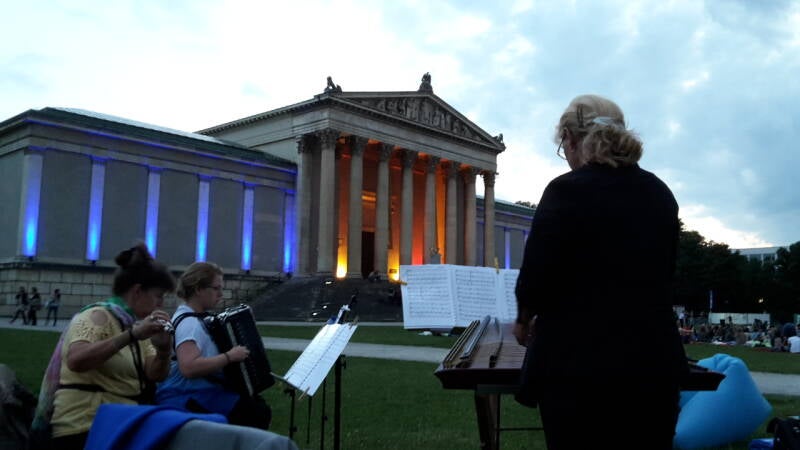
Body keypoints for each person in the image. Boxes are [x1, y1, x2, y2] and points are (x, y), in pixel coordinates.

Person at [514, 95, 689, 449]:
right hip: (652, 363)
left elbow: (537, 272)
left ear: (572, 138)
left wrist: (523, 319)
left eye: (564, 146)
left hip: (577, 367)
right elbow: (664, 273)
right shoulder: (661, 193)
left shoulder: (565, 190)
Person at [46, 243, 176, 450]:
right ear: (137, 291)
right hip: (85, 426)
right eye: (158, 296)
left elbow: (154, 375)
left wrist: (163, 350)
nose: (161, 304)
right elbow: (76, 360)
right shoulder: (96, 316)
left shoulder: (138, 326)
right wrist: (131, 335)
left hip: (121, 423)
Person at [156, 261, 272, 430]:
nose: (221, 294)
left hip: (201, 391)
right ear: (198, 289)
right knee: (255, 412)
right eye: (216, 288)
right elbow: (188, 367)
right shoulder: (190, 324)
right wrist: (229, 357)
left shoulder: (198, 318)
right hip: (186, 395)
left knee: (255, 406)